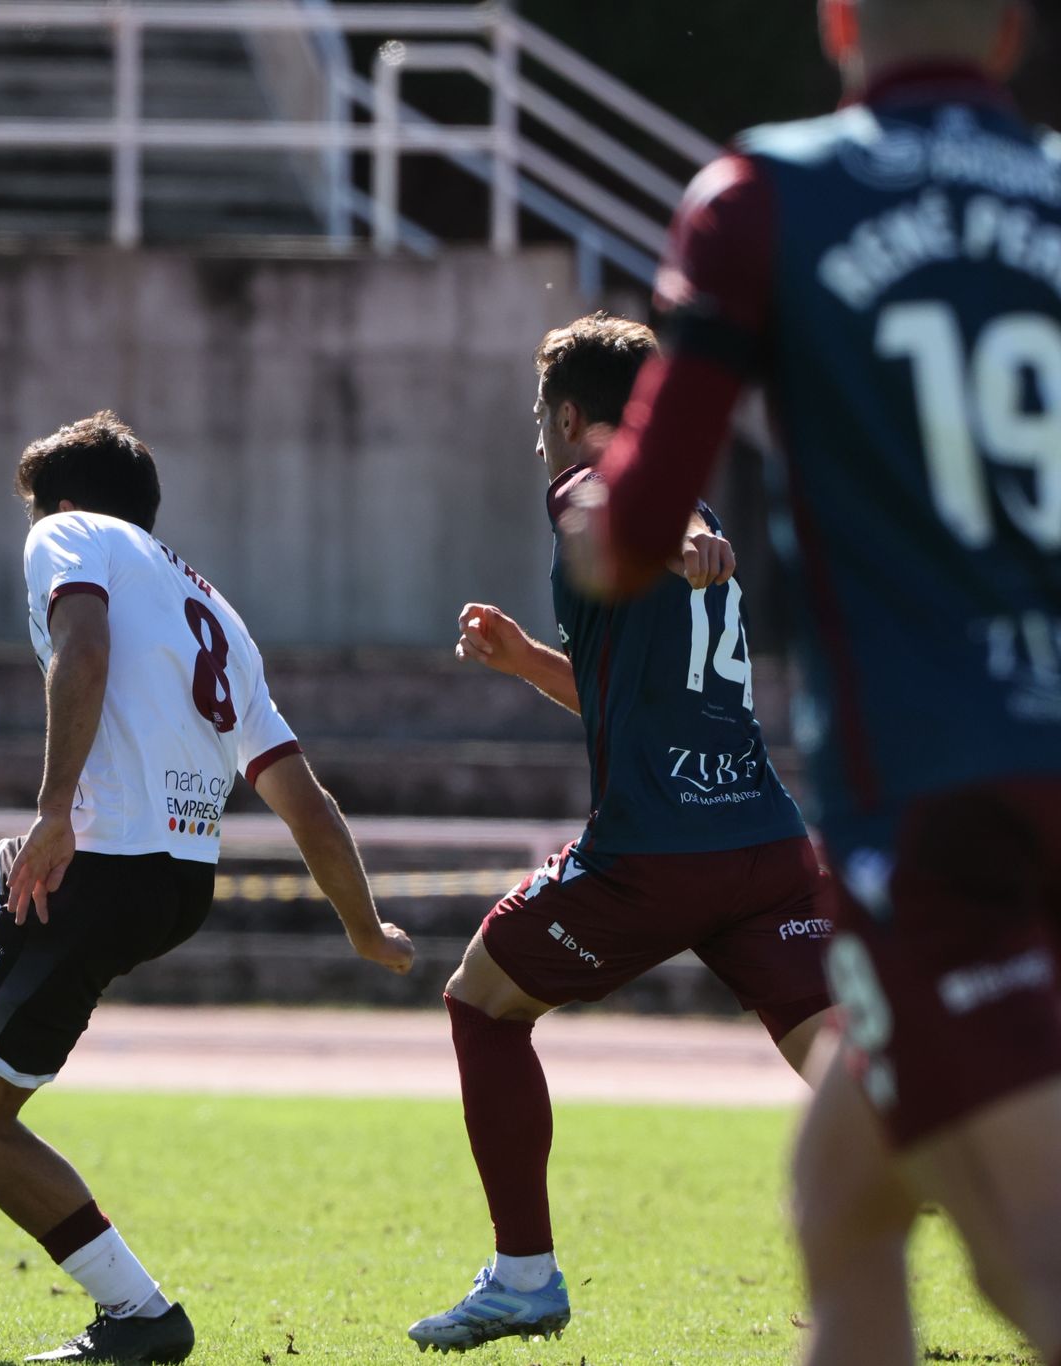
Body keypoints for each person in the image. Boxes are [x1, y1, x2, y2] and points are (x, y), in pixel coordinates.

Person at [563, 1, 1061, 1360]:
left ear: (838, 21)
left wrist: (592, 502)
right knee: (844, 1198)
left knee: (1033, 1268)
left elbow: (631, 533)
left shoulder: (766, 193)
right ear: (1010, 33)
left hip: (937, 794)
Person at [0, 411, 416, 1364]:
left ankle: (141, 1316)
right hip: (175, 877)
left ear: (62, 505)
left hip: (95, 866)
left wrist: (55, 811)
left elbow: (85, 650)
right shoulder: (217, 612)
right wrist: (364, 924)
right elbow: (301, 795)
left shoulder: (66, 535)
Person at [404, 314, 833, 1353]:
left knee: (481, 1003)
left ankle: (520, 1280)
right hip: (765, 844)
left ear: (563, 413)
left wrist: (672, 541)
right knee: (854, 1069)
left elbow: (593, 504)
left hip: (654, 850)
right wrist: (522, 661)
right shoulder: (685, 506)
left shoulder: (596, 490)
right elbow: (634, 696)